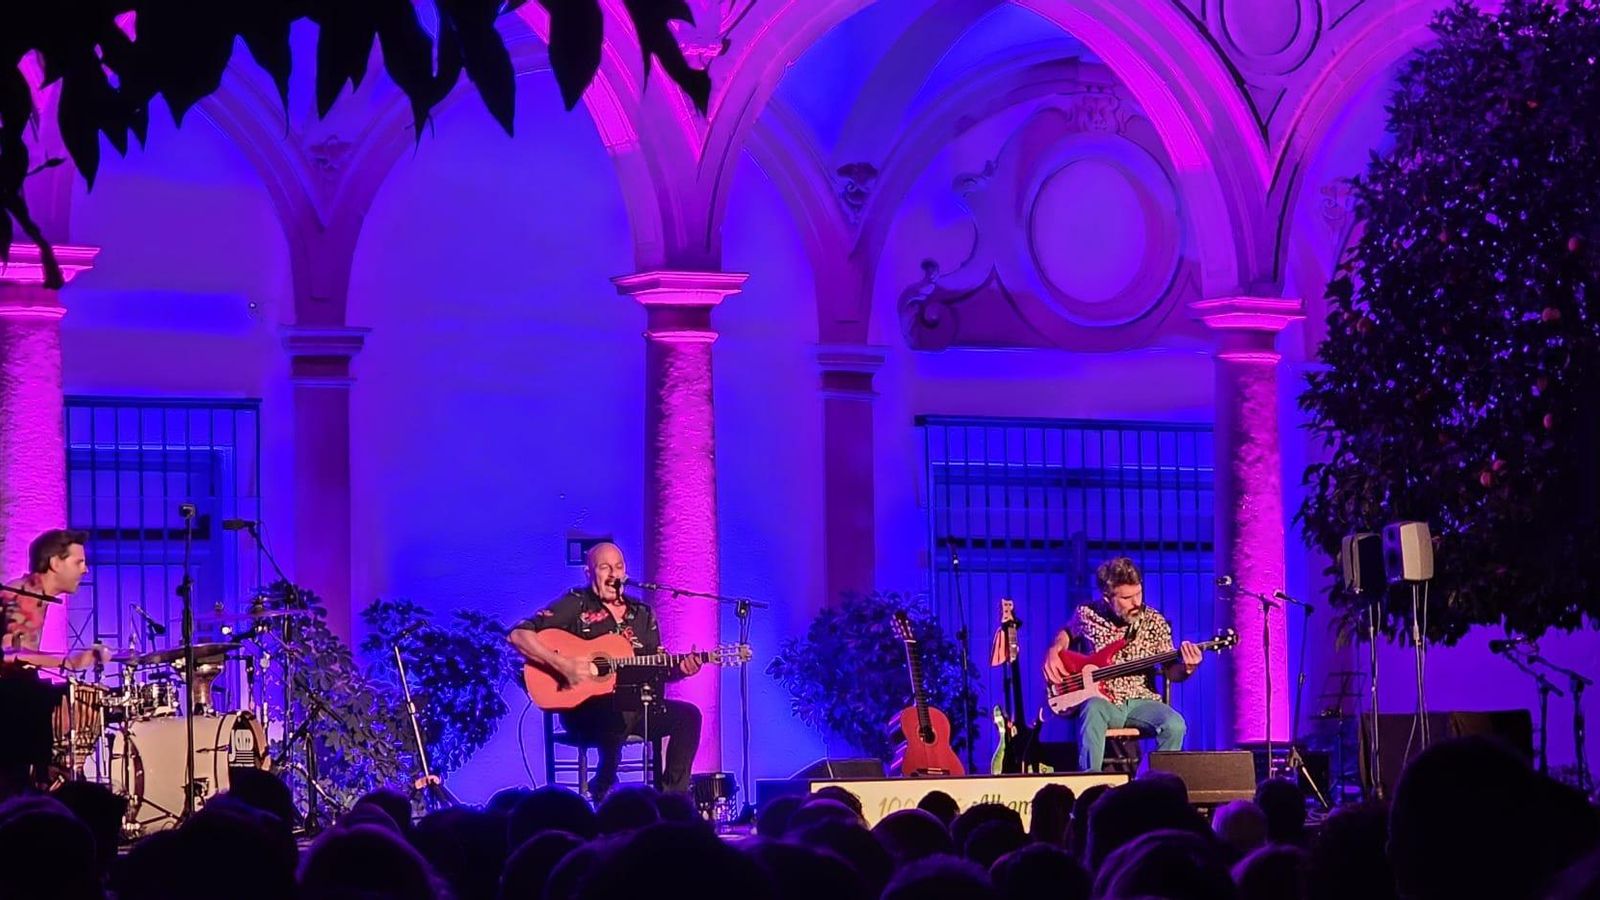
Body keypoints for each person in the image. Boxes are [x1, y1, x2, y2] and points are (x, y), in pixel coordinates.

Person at [508, 542, 704, 801]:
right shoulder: (576, 605)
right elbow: (518, 635)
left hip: (635, 709)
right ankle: (605, 779)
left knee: (688, 715)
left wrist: (680, 669)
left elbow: (654, 669)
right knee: (618, 704)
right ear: (589, 574)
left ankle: (672, 799)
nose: (613, 574)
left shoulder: (643, 614)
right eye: (604, 567)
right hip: (586, 713)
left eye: (619, 567)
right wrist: (563, 665)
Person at [1043, 556, 1200, 772]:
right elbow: (1067, 632)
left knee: (1175, 724)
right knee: (1091, 709)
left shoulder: (1155, 621)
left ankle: (1156, 785)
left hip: (1142, 700)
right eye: (1127, 598)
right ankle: (1090, 786)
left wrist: (1188, 668)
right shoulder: (1087, 614)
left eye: (1139, 593)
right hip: (1103, 701)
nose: (1136, 603)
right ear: (1108, 599)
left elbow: (1172, 671)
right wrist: (1055, 648)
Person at [0, 529, 108, 794]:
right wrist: (66, 663)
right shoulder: (26, 597)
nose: (85, 570)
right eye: (78, 562)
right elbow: (10, 655)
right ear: (55, 563)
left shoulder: (35, 594)